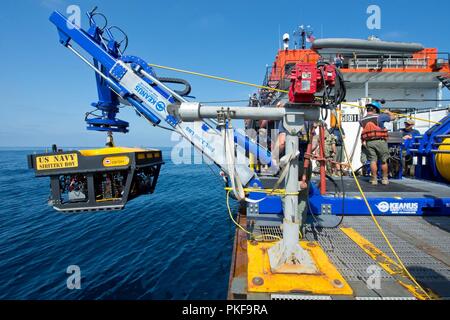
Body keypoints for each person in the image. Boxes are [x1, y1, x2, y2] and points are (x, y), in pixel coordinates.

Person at [359, 101, 397, 185]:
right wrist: (388, 112)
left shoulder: (362, 120)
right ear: (375, 109)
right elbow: (394, 118)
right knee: (384, 160)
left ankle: (374, 179)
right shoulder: (380, 117)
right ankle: (384, 179)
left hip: (369, 142)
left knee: (373, 161)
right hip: (380, 141)